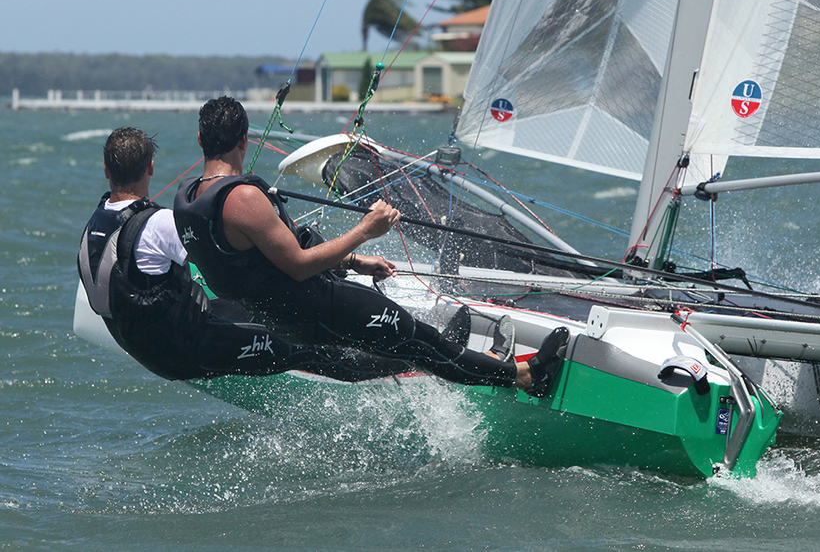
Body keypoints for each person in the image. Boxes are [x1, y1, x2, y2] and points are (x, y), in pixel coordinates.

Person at [173, 97, 568, 396]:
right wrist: (366, 229)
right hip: (319, 302)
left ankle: (458, 363)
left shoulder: (187, 198)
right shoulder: (243, 199)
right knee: (421, 341)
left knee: (395, 352)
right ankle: (524, 375)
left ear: (200, 139)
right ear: (244, 140)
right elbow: (297, 264)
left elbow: (258, 262)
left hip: (283, 317)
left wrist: (355, 260)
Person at [78, 127, 413, 382]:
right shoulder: (160, 224)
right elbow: (274, 256)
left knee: (247, 310)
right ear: (150, 168)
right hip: (183, 351)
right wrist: (352, 260)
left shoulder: (94, 224)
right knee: (305, 349)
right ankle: (411, 360)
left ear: (107, 170)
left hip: (145, 347)